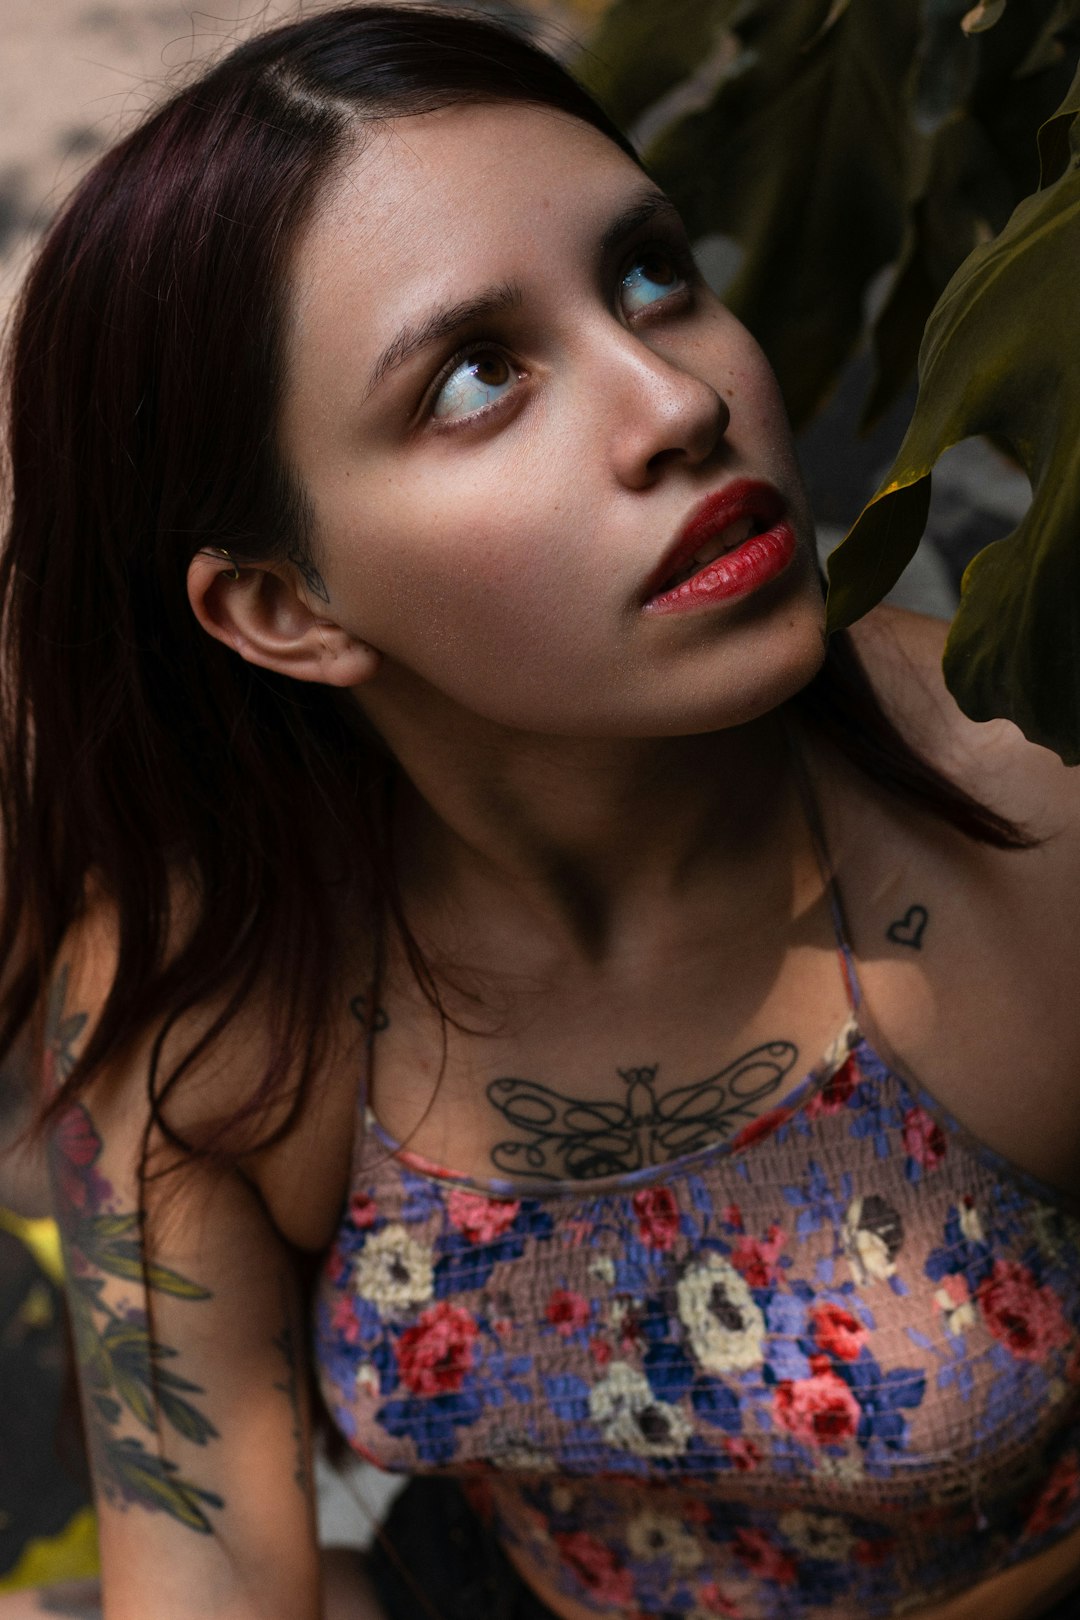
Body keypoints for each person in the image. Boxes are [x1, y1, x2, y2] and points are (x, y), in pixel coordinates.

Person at [0, 6, 1078, 1618]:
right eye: (480, 377)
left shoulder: (1027, 805)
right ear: (286, 608)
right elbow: (209, 1560)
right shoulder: (215, 972)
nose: (676, 401)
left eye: (651, 273)